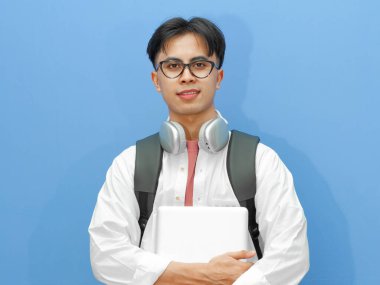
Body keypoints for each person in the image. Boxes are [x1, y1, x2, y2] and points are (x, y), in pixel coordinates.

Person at [89, 17, 309, 285]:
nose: (187, 76)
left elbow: (291, 255)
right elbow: (106, 255)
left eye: (200, 65)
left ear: (219, 77)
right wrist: (204, 275)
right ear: (156, 80)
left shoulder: (260, 161)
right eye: (172, 66)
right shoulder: (130, 164)